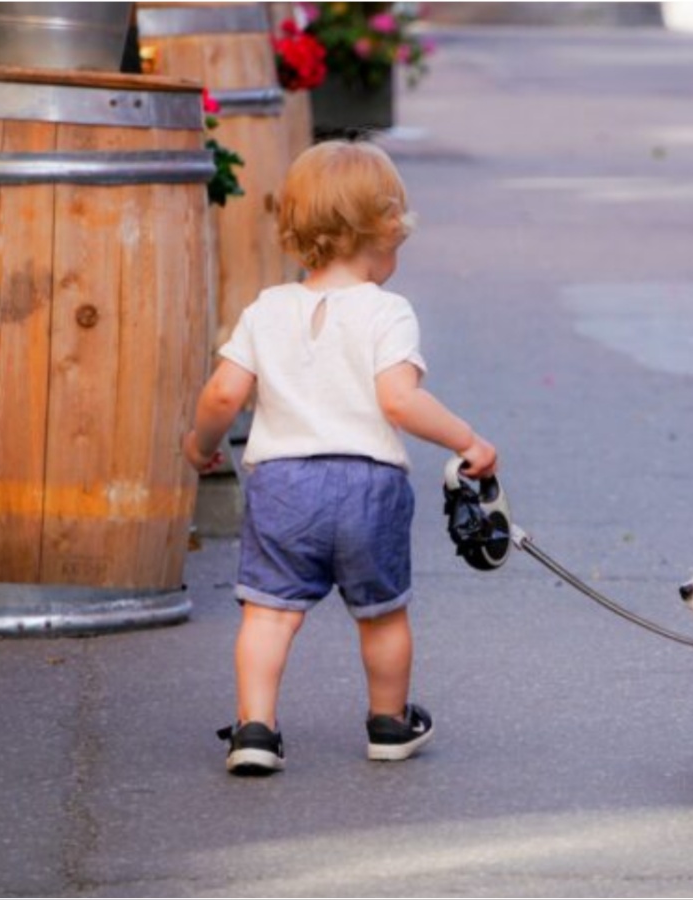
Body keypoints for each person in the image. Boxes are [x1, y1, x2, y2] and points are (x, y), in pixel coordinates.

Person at [183, 140, 497, 776]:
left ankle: (255, 729)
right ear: (384, 234)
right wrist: (468, 441)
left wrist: (201, 446)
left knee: (269, 614)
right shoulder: (388, 312)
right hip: (367, 486)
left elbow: (223, 392)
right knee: (381, 616)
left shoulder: (268, 309)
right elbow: (400, 402)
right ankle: (388, 722)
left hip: (282, 486)